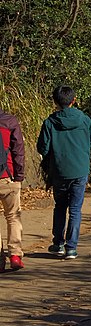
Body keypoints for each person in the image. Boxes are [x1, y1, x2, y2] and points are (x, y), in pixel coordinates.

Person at [38, 86, 91, 260]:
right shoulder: (85, 120)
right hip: (80, 170)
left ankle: (58, 244)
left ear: (55, 101)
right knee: (76, 209)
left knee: (60, 206)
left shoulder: (49, 122)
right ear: (74, 99)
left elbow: (43, 147)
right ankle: (72, 248)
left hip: (59, 171)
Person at [0, 105, 24, 272]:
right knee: (13, 216)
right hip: (8, 177)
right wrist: (19, 175)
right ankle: (15, 255)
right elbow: (18, 151)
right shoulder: (10, 121)